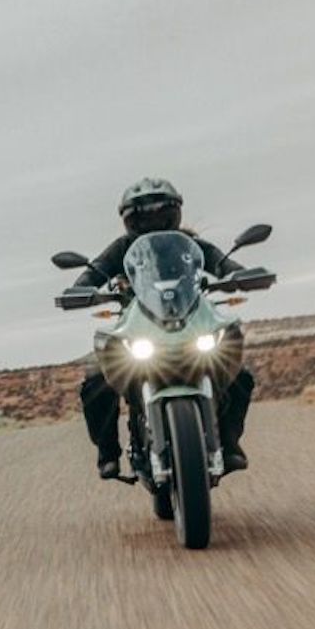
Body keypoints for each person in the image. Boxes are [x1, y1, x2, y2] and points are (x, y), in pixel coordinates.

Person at [76, 178, 256, 479]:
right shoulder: (121, 249)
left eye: (161, 211)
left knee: (240, 374)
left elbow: (225, 266)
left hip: (191, 322)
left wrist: (244, 276)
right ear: (130, 219)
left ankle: (229, 443)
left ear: (174, 212)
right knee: (96, 380)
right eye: (143, 215)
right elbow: (89, 276)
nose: (152, 219)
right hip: (140, 325)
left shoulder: (193, 245)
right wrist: (80, 290)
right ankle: (107, 452)